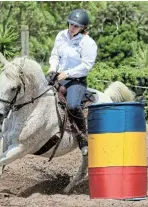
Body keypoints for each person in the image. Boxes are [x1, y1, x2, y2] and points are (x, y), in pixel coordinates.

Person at [47, 9, 98, 156]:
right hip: (58, 75)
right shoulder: (61, 35)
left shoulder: (88, 43)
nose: (72, 27)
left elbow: (86, 66)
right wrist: (52, 69)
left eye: (76, 26)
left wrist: (67, 73)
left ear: (83, 28)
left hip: (76, 80)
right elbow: (55, 55)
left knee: (73, 105)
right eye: (71, 24)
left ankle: (82, 139)